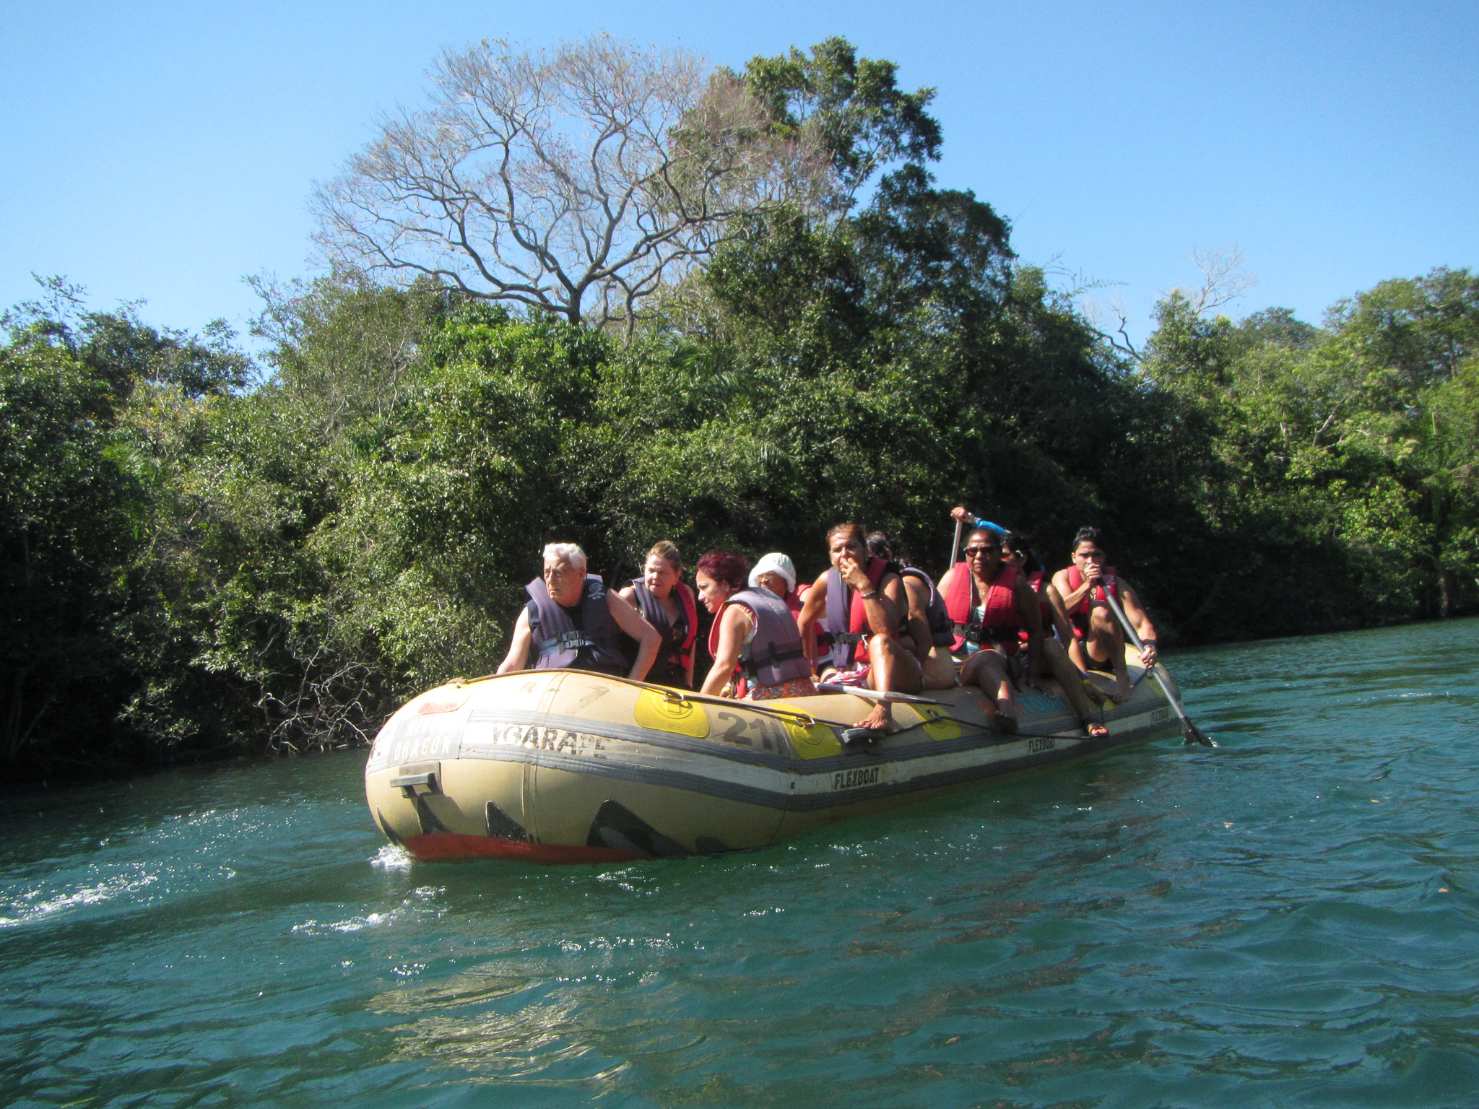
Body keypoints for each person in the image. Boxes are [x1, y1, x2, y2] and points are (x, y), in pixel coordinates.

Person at [938, 526, 1109, 737]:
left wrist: (1033, 673)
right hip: (959, 659)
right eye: (972, 551)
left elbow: (1036, 630)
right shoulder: (952, 577)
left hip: (1005, 658)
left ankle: (1087, 716)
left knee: (1047, 645)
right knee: (984, 660)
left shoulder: (1018, 585)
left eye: (987, 550)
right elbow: (932, 619)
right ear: (966, 554)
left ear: (998, 554)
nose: (979, 556)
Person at [796, 522, 923, 733]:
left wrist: (864, 585)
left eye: (851, 547)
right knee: (822, 678)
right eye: (837, 550)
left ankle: (883, 709)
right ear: (830, 555)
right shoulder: (826, 580)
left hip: (893, 669)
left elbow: (885, 631)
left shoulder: (889, 579)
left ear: (865, 550)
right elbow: (804, 623)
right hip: (848, 670)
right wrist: (809, 669)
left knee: (880, 641)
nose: (844, 554)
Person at [497, 542, 660, 680]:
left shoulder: (606, 598)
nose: (551, 580)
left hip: (604, 692)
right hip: (552, 694)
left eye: (559, 573)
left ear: (581, 573)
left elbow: (651, 638)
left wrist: (632, 685)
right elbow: (512, 664)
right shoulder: (532, 611)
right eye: (547, 572)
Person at [1050, 526, 1160, 704]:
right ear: (1073, 557)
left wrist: (1150, 646)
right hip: (1070, 648)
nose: (1090, 560)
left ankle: (1122, 677)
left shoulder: (1117, 583)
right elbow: (1060, 611)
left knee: (1100, 611)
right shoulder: (1061, 578)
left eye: (1096, 555)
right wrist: (1087, 585)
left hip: (1098, 651)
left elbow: (1141, 622)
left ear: (1104, 558)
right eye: (1084, 555)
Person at [695, 551, 816, 700]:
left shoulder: (735, 611)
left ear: (725, 585)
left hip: (773, 701)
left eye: (704, 587)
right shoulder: (771, 598)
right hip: (806, 693)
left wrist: (698, 703)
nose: (700, 597)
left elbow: (723, 667)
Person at [865, 531, 957, 690]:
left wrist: (914, 672)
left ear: (885, 554)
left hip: (933, 670)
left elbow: (924, 640)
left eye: (870, 559)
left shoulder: (906, 583)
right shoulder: (894, 580)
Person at [618, 540, 698, 688]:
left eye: (662, 572)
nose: (655, 576)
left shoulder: (686, 595)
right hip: (638, 683)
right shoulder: (629, 597)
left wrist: (689, 683)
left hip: (675, 684)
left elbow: (691, 644)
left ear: (676, 575)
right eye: (651, 570)